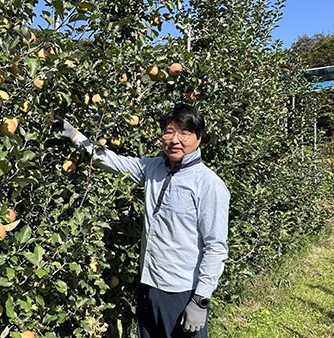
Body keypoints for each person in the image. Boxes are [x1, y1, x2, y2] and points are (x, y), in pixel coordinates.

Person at [55, 103, 230, 338]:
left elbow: (215, 246)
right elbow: (111, 161)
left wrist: (200, 300)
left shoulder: (208, 185)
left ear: (198, 138)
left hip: (181, 291)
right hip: (149, 284)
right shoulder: (153, 168)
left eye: (184, 133)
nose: (175, 140)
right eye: (169, 132)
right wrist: (75, 135)